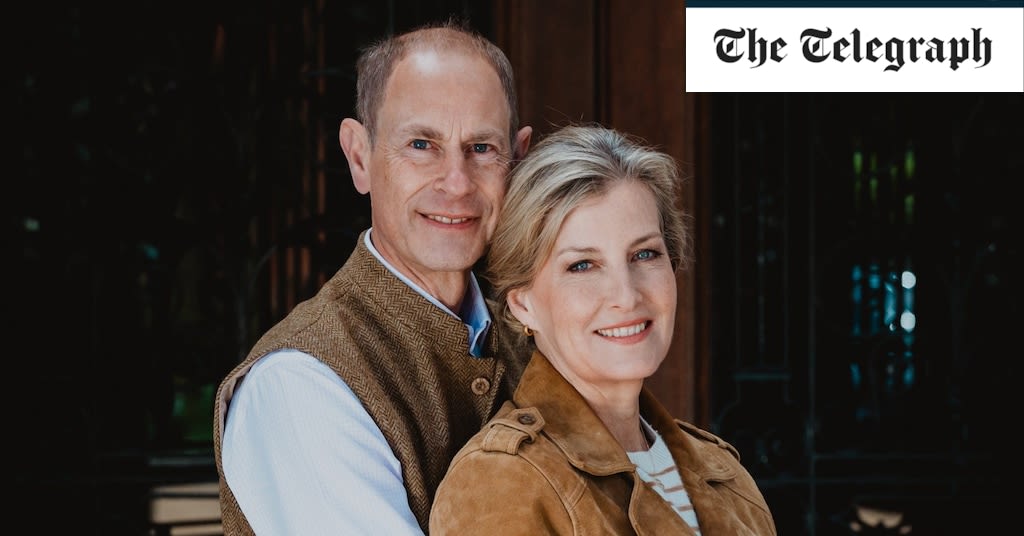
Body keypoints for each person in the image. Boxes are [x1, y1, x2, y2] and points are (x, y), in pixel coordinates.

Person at [213, 19, 533, 535]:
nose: (456, 183)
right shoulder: (300, 382)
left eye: (481, 149)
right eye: (422, 145)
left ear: (516, 159)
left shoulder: (537, 342)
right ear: (358, 156)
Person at [429, 124, 777, 535]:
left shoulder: (724, 474)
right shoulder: (501, 481)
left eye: (644, 254)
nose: (626, 296)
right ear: (524, 304)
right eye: (582, 265)